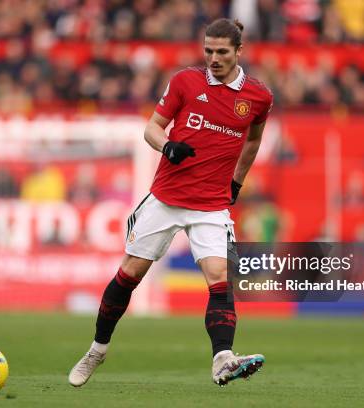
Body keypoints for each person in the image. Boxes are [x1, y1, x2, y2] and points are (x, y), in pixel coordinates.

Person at [69, 18, 273, 387]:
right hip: (166, 198)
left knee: (220, 280)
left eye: (222, 52)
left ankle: (222, 358)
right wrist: (168, 145)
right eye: (208, 50)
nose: (213, 58)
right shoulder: (185, 82)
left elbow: (254, 141)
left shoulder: (258, 97)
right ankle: (97, 349)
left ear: (239, 52)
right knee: (130, 274)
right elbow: (151, 128)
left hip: (211, 205)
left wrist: (237, 183)